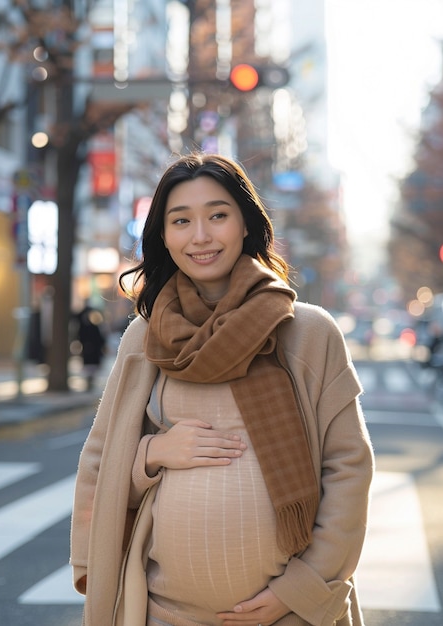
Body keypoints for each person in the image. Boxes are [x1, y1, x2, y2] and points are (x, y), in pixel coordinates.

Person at [70, 153, 374, 626]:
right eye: (181, 221)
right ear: (163, 237)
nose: (201, 236)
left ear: (246, 224)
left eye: (218, 215)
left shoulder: (308, 332)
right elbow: (99, 462)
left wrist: (302, 588)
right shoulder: (145, 337)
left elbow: (348, 469)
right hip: (160, 610)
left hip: (286, 614)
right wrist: (153, 452)